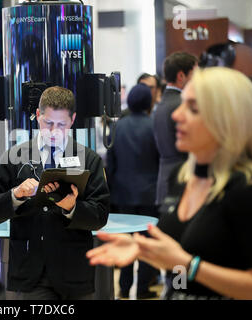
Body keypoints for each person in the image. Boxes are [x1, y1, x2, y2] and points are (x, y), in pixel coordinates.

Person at [87, 67, 252, 300]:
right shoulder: (182, 177)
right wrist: (144, 251)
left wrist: (189, 265)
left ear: (229, 120)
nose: (176, 115)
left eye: (193, 108)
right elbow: (180, 269)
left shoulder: (246, 189)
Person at [0, 86, 110, 300]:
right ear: (37, 116)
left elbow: (100, 216)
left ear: (72, 120)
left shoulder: (89, 160)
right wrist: (15, 195)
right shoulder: (15, 156)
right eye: (48, 123)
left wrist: (72, 207)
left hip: (74, 271)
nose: (54, 132)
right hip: (30, 270)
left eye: (62, 125)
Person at [106, 83, 160, 299]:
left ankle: (125, 287)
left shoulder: (117, 126)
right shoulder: (154, 125)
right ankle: (144, 288)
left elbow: (111, 163)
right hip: (150, 193)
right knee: (146, 242)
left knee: (125, 240)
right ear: (149, 102)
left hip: (122, 193)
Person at [153, 52, 198, 206]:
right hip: (182, 179)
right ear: (181, 76)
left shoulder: (160, 104)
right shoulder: (182, 104)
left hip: (164, 180)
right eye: (194, 74)